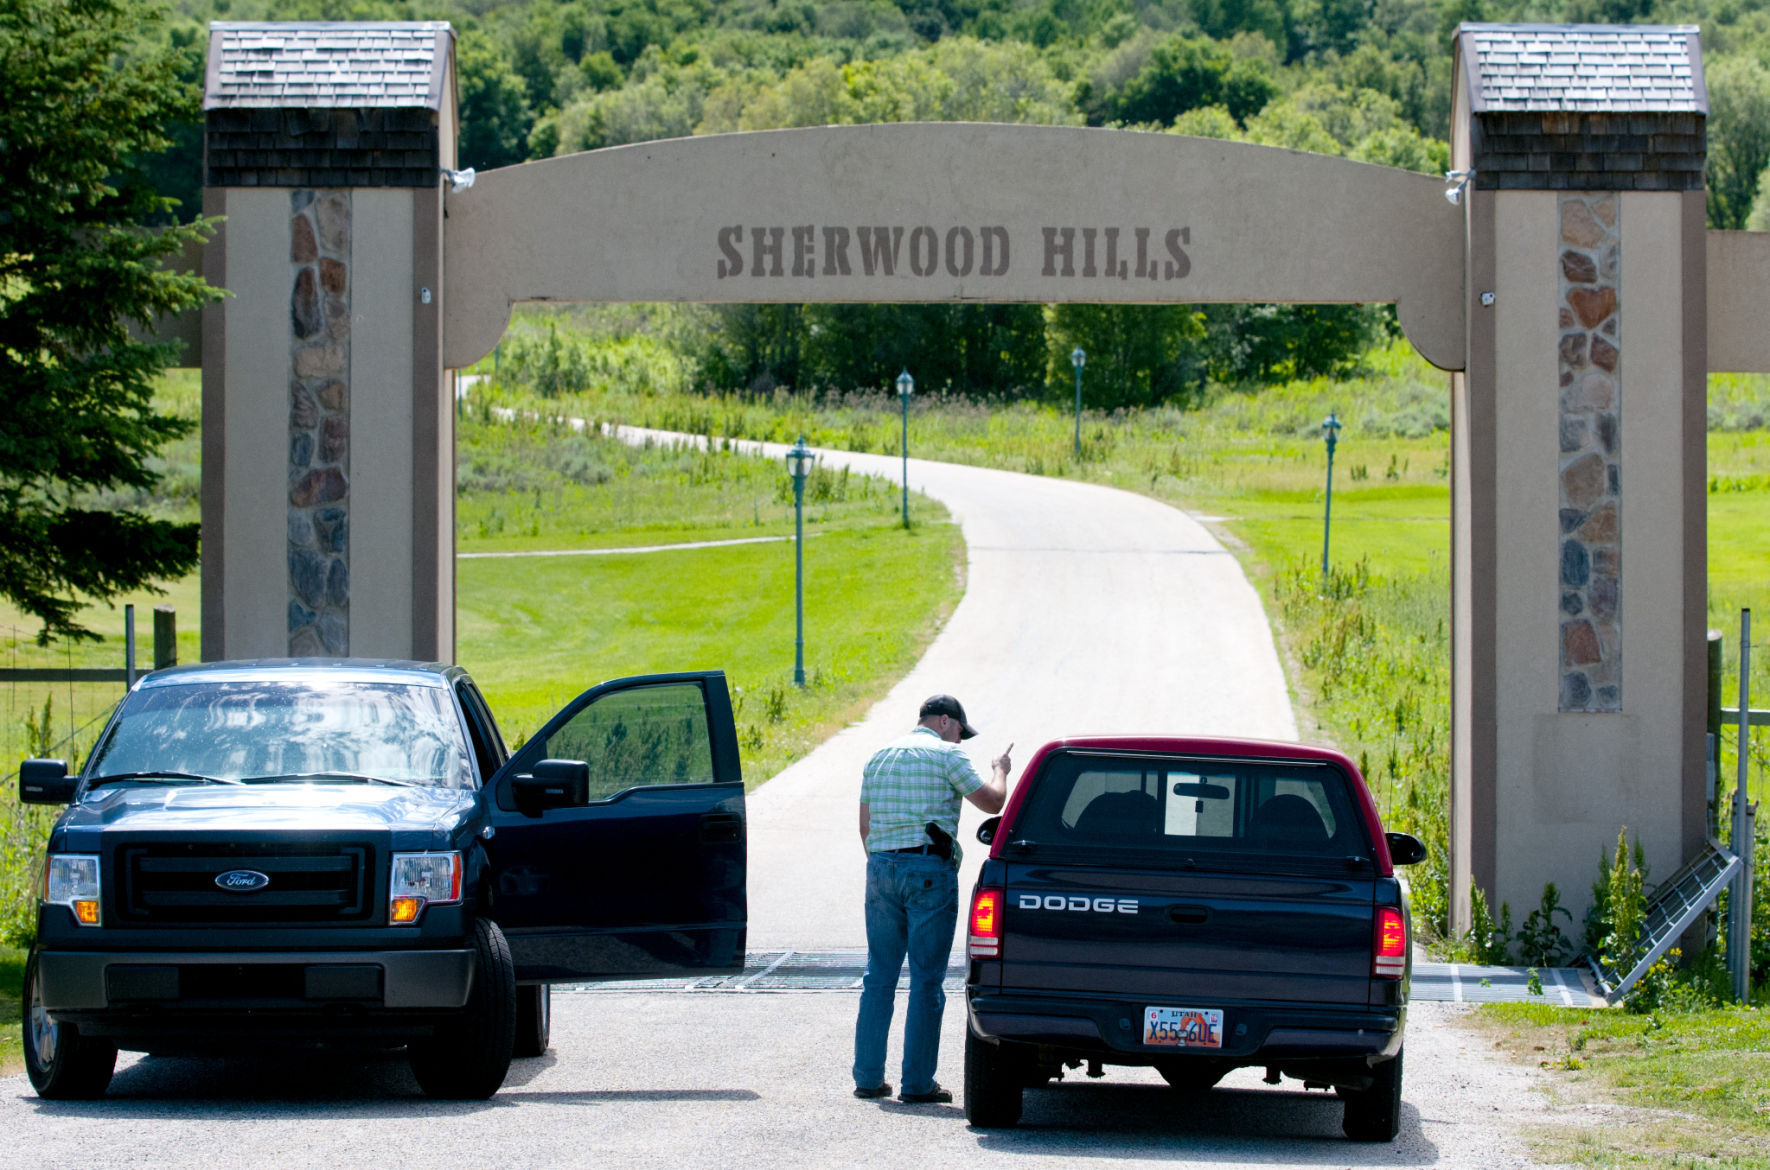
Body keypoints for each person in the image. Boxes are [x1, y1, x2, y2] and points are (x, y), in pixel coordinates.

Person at [852, 693, 1011, 1105]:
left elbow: (865, 826)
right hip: (928, 871)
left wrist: (884, 865)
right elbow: (993, 802)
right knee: (926, 979)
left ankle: (868, 1077)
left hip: (881, 868)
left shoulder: (879, 757)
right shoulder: (946, 757)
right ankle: (917, 1082)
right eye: (959, 731)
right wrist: (1000, 770)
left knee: (879, 976)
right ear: (944, 721)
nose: (960, 740)